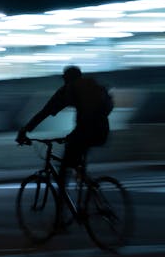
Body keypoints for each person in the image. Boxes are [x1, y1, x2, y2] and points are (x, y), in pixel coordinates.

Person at [16, 65, 114, 194]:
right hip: (102, 131)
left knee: (64, 167)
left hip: (85, 132)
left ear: (66, 78)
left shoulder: (68, 90)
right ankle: (88, 188)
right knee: (75, 160)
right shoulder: (93, 87)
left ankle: (61, 208)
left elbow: (44, 112)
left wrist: (25, 131)